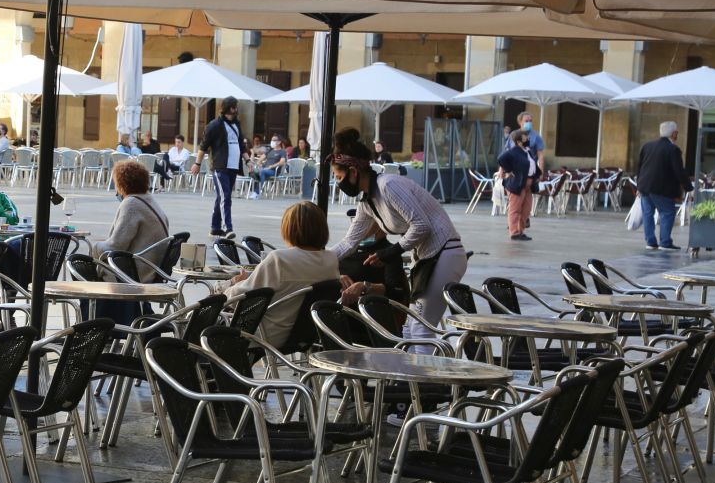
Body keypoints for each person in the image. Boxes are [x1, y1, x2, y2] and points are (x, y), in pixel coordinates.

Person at [330, 128, 465, 349]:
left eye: (338, 176)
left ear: (353, 170)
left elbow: (422, 225)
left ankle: (426, 382)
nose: (339, 183)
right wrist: (319, 258)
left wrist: (391, 251)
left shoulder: (388, 185)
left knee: (421, 329)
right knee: (409, 329)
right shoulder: (367, 201)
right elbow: (349, 242)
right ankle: (413, 378)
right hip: (427, 258)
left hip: (444, 253)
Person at [225, 201, 338, 348]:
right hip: (305, 336)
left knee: (204, 325)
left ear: (289, 229)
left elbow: (237, 299)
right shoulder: (331, 260)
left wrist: (232, 284)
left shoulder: (280, 259)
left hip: (264, 335)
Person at [95, 160, 170, 282]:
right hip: (154, 268)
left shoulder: (131, 204)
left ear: (121, 184)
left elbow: (116, 245)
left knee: (81, 268)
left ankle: (95, 301)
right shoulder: (150, 200)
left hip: (136, 273)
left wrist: (95, 248)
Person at [191, 96, 245, 238]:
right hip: (220, 166)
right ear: (229, 108)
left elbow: (241, 145)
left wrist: (248, 161)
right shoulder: (215, 125)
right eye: (234, 107)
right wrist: (197, 163)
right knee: (225, 196)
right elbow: (203, 146)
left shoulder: (236, 124)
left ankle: (215, 228)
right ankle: (228, 228)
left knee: (222, 196)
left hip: (233, 166)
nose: (236, 109)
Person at [636, 120, 693, 251]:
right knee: (667, 213)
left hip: (645, 186)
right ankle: (665, 242)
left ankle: (650, 242)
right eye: (676, 132)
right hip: (662, 189)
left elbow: (639, 167)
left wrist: (639, 186)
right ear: (674, 134)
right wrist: (689, 188)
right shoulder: (673, 149)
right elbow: (679, 171)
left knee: (647, 214)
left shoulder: (647, 146)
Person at [496, 128, 539, 241]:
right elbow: (501, 159)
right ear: (519, 141)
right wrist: (509, 170)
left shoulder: (528, 151)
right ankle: (514, 232)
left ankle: (521, 230)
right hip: (517, 184)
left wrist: (537, 175)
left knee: (526, 209)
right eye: (525, 137)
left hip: (528, 184)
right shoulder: (514, 151)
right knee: (515, 208)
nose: (528, 139)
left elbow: (532, 165)